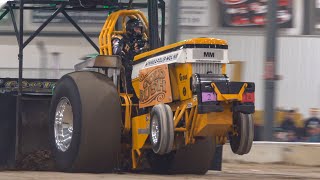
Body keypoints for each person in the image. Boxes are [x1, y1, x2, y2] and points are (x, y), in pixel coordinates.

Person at [112, 18, 149, 95]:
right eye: (137, 29)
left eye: (140, 29)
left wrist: (143, 48)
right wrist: (130, 49)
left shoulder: (144, 40)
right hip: (127, 64)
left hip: (140, 64)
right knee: (127, 66)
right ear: (130, 29)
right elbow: (116, 52)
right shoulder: (120, 38)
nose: (139, 31)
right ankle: (129, 93)